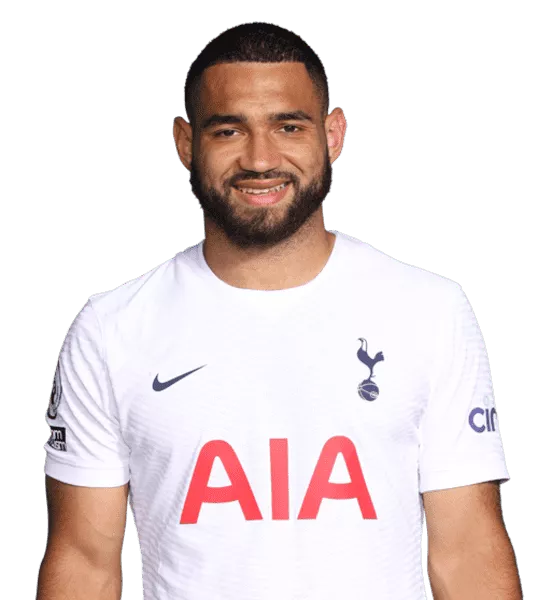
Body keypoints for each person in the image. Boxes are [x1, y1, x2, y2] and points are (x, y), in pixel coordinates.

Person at [37, 21, 522, 600]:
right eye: (228, 130)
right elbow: (84, 562)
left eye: (288, 126)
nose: (260, 158)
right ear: (186, 143)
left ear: (333, 134)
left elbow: (467, 551)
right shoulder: (111, 329)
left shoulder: (429, 311)